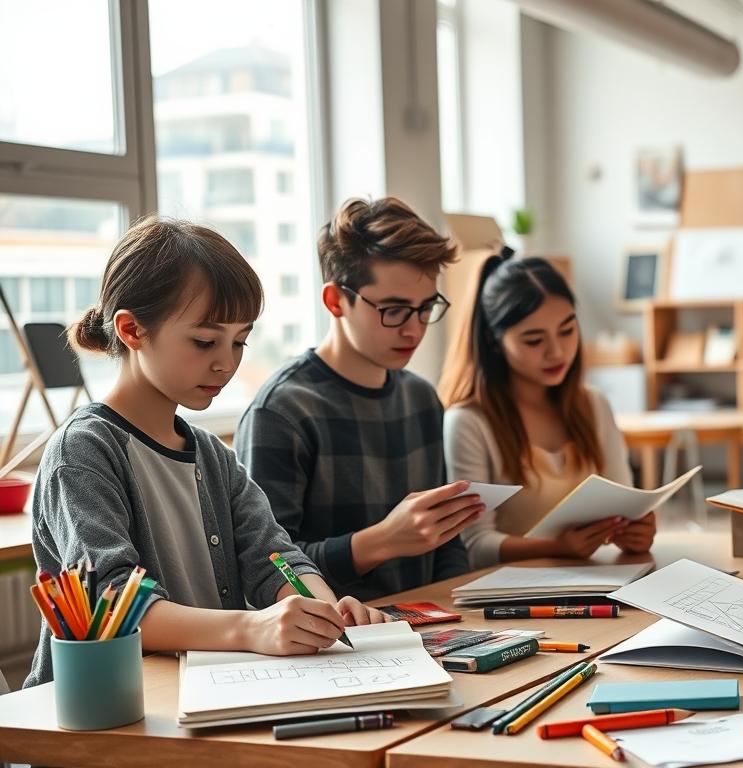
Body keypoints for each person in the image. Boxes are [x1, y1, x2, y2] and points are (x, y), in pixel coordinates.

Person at [25, 218, 385, 687]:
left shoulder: (212, 455)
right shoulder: (83, 452)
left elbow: (273, 556)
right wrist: (250, 627)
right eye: (204, 341)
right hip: (106, 718)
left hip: (199, 698)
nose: (226, 363)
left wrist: (323, 608)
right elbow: (112, 605)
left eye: (239, 342)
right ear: (132, 331)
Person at [235, 197, 479, 602]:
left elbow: (447, 543)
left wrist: (460, 604)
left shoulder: (421, 397)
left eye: (425, 308)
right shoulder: (282, 410)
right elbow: (269, 566)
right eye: (394, 310)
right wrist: (380, 541)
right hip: (337, 646)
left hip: (434, 628)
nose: (414, 330)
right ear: (335, 301)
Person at [441, 255, 648, 569]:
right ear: (494, 341)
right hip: (513, 596)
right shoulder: (469, 421)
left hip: (597, 583)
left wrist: (637, 532)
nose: (557, 351)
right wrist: (556, 547)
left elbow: (625, 506)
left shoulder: (594, 405)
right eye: (534, 340)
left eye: (567, 331)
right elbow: (475, 545)